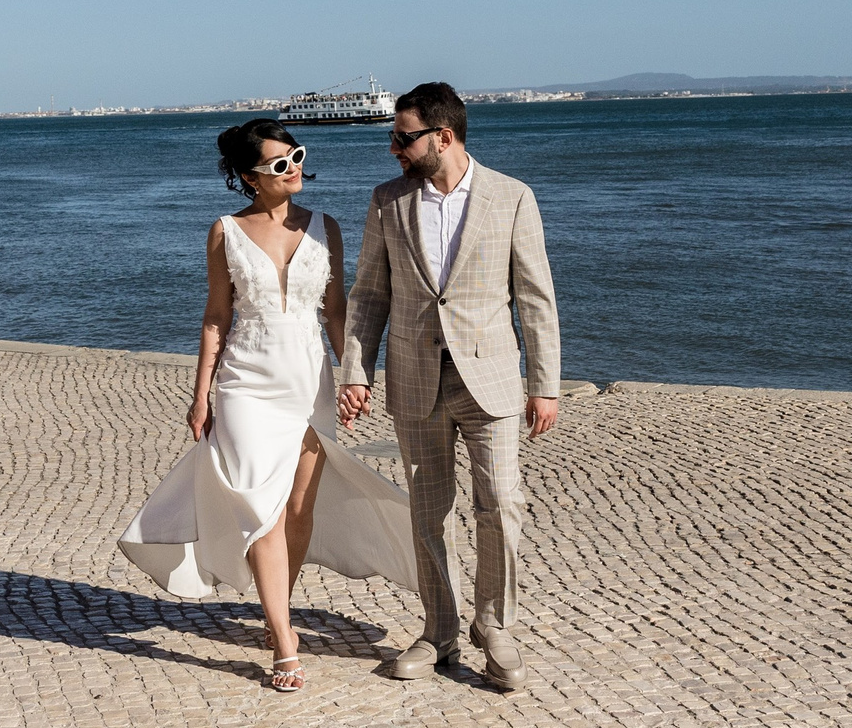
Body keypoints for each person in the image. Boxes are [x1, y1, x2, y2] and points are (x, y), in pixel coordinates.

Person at [119, 119, 420, 691]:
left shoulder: (325, 227)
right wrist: (201, 392)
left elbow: (337, 311)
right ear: (248, 176)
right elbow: (216, 316)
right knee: (262, 508)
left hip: (308, 385)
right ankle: (284, 640)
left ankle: (275, 604)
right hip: (244, 385)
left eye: (297, 156)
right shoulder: (225, 231)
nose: (294, 168)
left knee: (300, 509)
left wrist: (354, 374)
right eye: (280, 163)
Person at [336, 82, 560, 692]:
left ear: (444, 136)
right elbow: (369, 296)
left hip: (489, 379)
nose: (393, 149)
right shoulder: (388, 201)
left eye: (403, 138)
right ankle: (439, 630)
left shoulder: (512, 197)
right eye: (393, 138)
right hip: (415, 380)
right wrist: (355, 370)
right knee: (428, 512)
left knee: (502, 506)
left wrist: (545, 384)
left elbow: (535, 298)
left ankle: (497, 629)